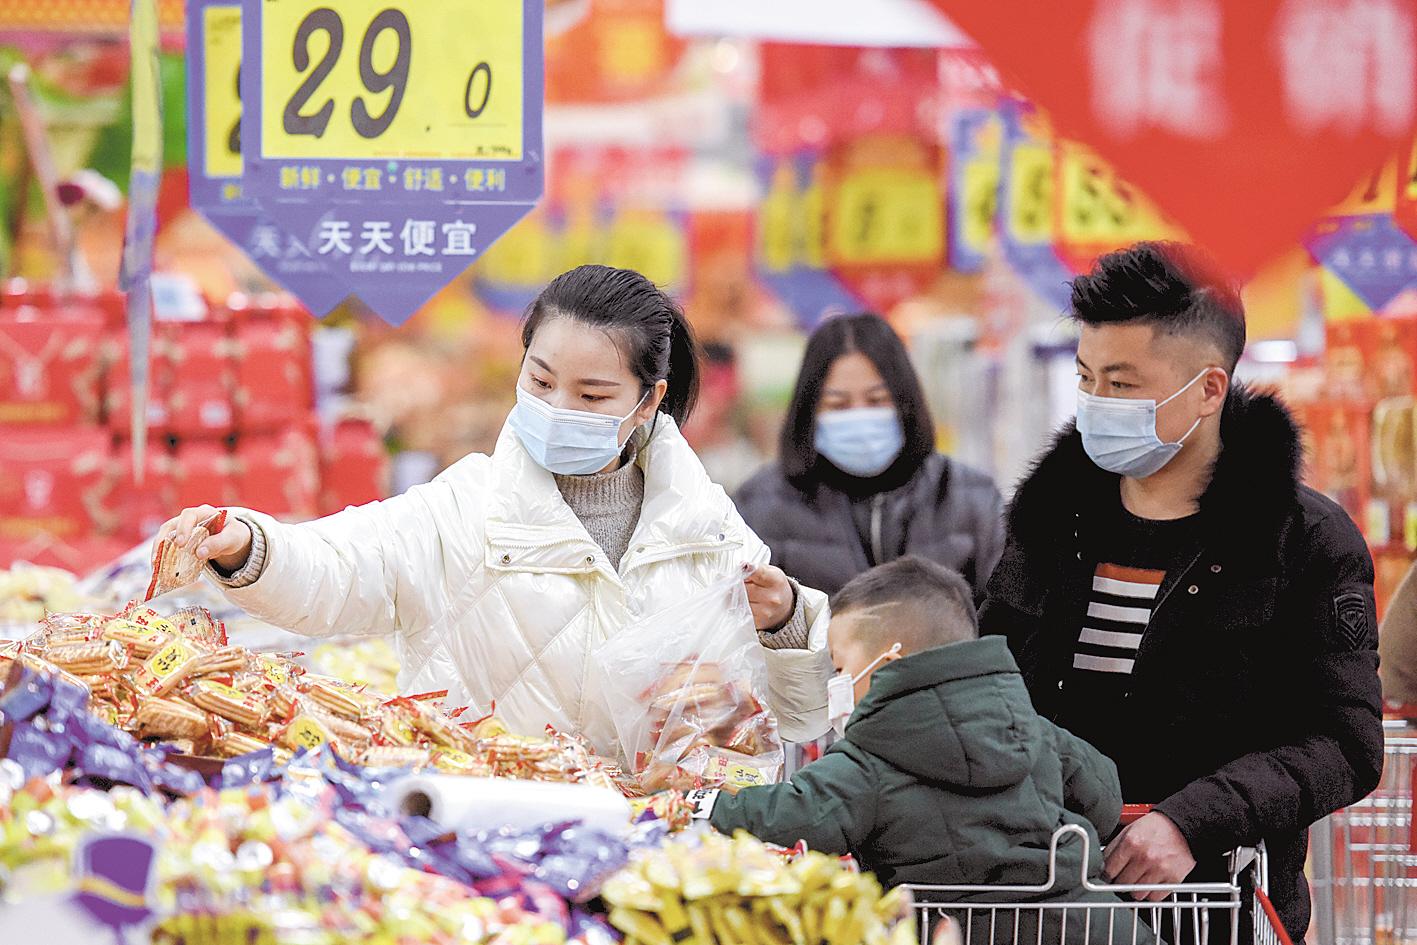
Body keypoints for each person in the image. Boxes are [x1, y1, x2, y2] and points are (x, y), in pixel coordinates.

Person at [159, 265, 834, 755]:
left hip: (665, 868)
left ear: (648, 400)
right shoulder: (463, 509)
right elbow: (336, 568)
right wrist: (246, 543)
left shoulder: (707, 528)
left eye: (591, 394)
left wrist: (786, 626)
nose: (556, 407)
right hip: (495, 857)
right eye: (540, 381)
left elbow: (788, 723)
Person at [978, 242, 1383, 940]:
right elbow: (991, 679)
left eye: (1124, 383)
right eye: (1086, 377)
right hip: (1043, 896)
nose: (1096, 403)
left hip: (1214, 903)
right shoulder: (1050, 520)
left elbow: (1344, 742)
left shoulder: (1302, 542)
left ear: (1207, 389)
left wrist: (1192, 819)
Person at [696, 556, 1145, 945]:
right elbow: (1105, 800)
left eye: (839, 667)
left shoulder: (868, 763)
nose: (837, 683)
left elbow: (788, 817)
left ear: (887, 665)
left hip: (962, 931)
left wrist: (698, 805)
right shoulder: (1034, 729)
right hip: (1095, 925)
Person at [735, 313, 1004, 600]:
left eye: (877, 400)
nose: (859, 415)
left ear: (906, 401)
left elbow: (1008, 620)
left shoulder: (972, 499)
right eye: (838, 404)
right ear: (809, 410)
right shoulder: (761, 506)